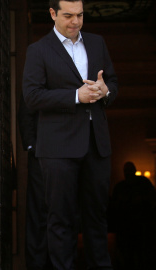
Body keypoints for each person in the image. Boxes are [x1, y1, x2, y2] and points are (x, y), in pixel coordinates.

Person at [22, 0, 118, 269]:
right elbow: (32, 96)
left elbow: (112, 82)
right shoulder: (38, 50)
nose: (75, 21)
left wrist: (104, 90)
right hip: (57, 149)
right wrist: (76, 96)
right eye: (68, 15)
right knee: (60, 220)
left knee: (97, 218)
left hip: (96, 145)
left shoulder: (97, 43)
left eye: (80, 15)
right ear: (52, 13)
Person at [18, 97, 52, 270]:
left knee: (64, 214)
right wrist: (32, 146)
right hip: (39, 155)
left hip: (67, 156)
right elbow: (27, 108)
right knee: (37, 212)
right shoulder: (37, 73)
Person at [111, 162, 156, 269]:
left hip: (141, 225)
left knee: (140, 252)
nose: (128, 173)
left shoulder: (142, 184)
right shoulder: (123, 187)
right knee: (130, 253)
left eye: (130, 171)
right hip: (128, 226)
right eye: (127, 171)